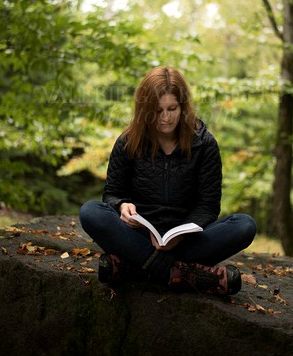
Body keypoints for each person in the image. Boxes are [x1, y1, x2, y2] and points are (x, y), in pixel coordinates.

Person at [80, 66, 256, 297]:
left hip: (186, 241)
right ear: (144, 110)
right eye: (157, 110)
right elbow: (112, 193)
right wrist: (122, 205)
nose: (165, 117)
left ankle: (135, 267)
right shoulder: (127, 142)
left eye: (172, 108)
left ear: (183, 107)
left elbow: (208, 205)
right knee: (91, 212)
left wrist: (182, 233)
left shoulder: (204, 144)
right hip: (138, 235)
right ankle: (182, 274)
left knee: (244, 226)